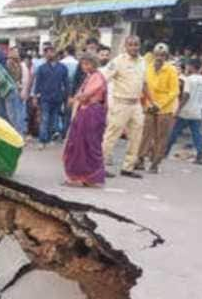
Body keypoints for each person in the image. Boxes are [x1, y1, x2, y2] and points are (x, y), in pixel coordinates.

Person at [101, 35, 147, 179]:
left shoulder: (143, 61)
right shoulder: (117, 61)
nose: (134, 47)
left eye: (136, 44)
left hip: (136, 105)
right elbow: (103, 79)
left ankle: (128, 167)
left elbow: (144, 84)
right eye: (131, 45)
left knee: (136, 137)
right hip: (121, 103)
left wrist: (150, 102)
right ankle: (99, 166)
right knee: (111, 136)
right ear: (125, 47)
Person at [63, 53, 108, 187]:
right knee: (77, 144)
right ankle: (79, 176)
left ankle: (91, 176)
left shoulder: (97, 77)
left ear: (94, 64)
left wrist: (74, 99)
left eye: (88, 64)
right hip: (84, 112)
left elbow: (85, 96)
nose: (85, 67)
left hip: (92, 113)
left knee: (89, 145)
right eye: (83, 64)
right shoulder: (89, 77)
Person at [136, 43, 179, 173]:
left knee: (161, 137)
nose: (159, 57)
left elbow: (174, 91)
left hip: (164, 109)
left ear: (166, 56)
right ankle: (141, 159)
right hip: (149, 106)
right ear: (153, 55)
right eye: (157, 55)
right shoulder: (148, 68)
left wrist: (159, 105)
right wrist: (148, 104)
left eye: (162, 55)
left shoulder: (171, 70)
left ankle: (155, 163)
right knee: (145, 134)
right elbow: (144, 87)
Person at [165, 59, 202, 165]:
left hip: (186, 110)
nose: (187, 68)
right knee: (196, 134)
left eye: (188, 66)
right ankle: (200, 154)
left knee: (174, 132)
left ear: (192, 67)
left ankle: (165, 151)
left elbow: (186, 95)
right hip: (197, 110)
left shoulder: (189, 79)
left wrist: (178, 109)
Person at [34, 44, 69, 149]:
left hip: (58, 97)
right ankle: (41, 140)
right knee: (44, 119)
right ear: (45, 54)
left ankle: (48, 138)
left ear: (56, 53)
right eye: (47, 52)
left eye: (51, 51)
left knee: (54, 119)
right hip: (45, 97)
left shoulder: (63, 68)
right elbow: (37, 83)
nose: (49, 54)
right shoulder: (41, 68)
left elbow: (66, 83)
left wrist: (68, 97)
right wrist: (35, 96)